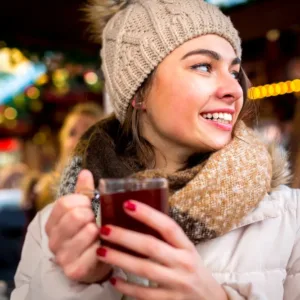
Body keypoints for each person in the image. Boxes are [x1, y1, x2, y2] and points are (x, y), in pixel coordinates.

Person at [12, 0, 300, 299]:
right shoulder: (52, 229)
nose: (235, 89)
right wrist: (75, 282)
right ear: (139, 92)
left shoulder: (291, 218)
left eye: (234, 71)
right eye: (203, 66)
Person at [21, 102, 105, 218]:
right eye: (72, 133)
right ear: (62, 142)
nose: (79, 139)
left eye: (88, 131)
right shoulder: (41, 191)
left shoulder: (114, 187)